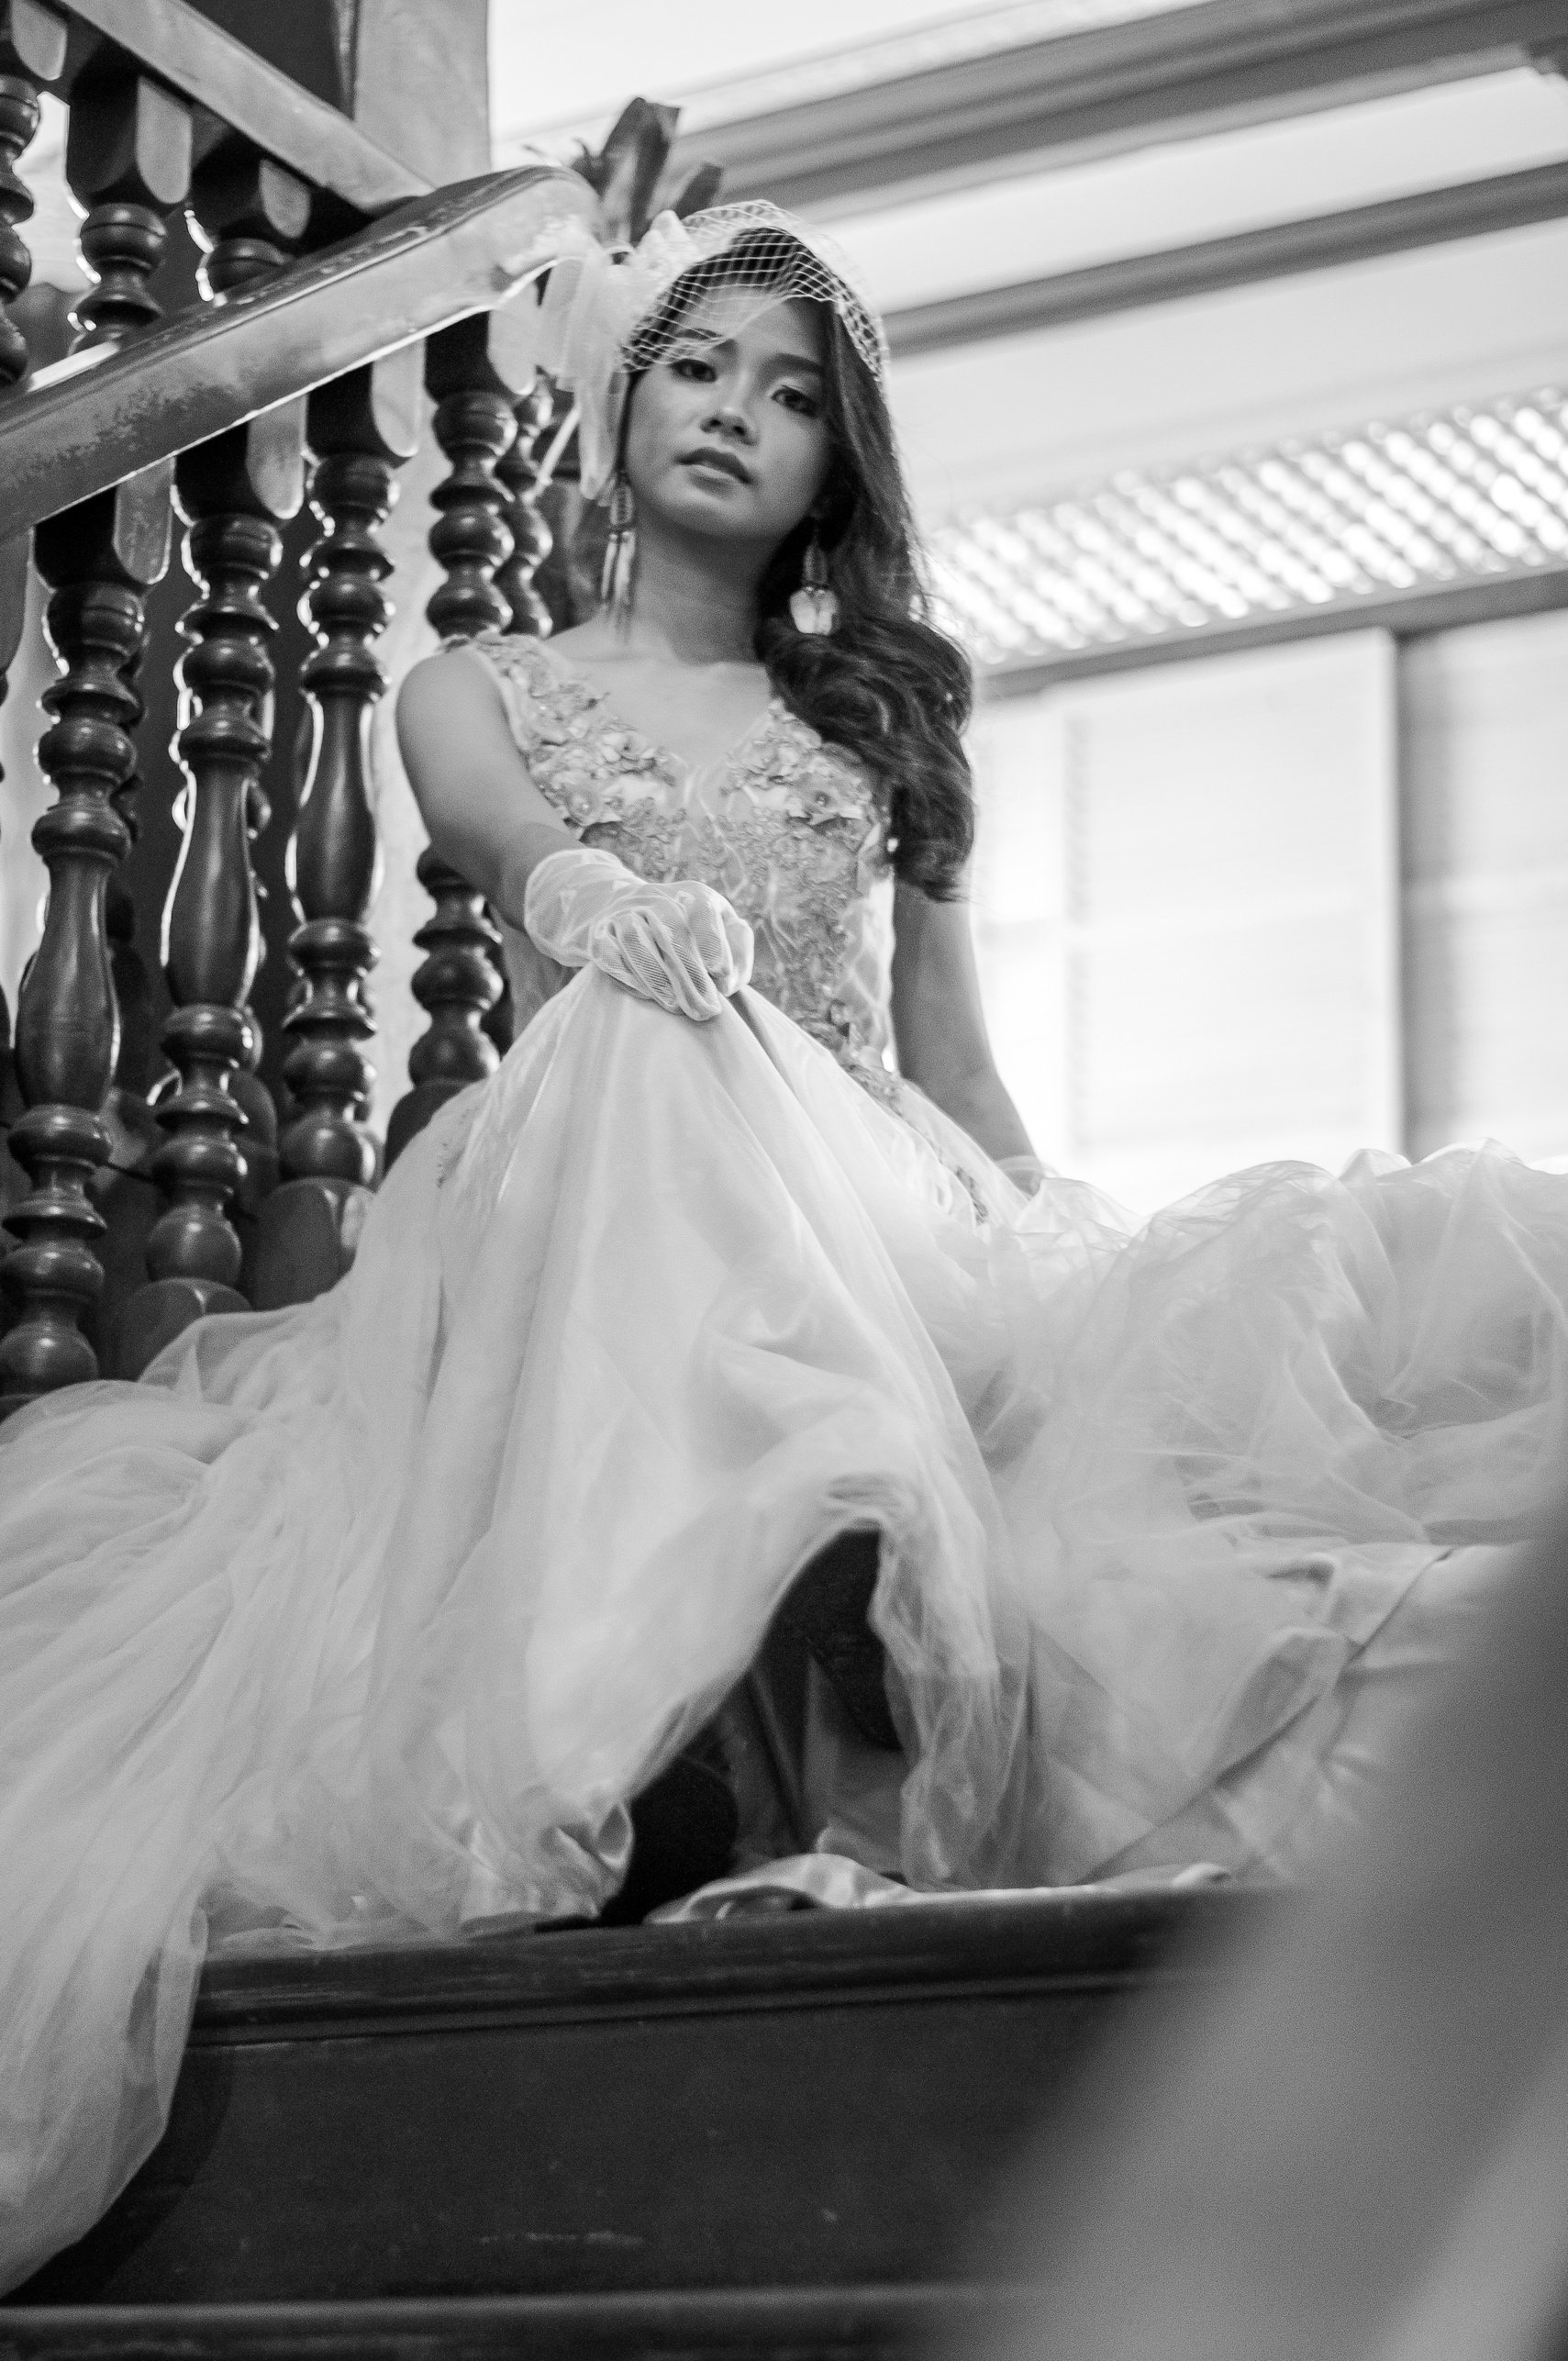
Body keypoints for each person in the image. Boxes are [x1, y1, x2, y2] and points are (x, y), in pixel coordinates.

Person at [0, 199, 1563, 2292]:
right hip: (585, 1206)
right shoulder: (477, 683)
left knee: (1354, 1299)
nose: (736, 409)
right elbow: (502, 838)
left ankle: (813, 1620)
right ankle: (660, 1715)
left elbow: (954, 1065)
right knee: (647, 1040)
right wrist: (601, 908)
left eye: (794, 393)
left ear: (840, 462)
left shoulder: (884, 728)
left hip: (867, 1208)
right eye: (699, 365)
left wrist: (1077, 1276)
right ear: (623, 406)